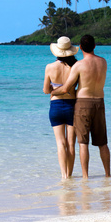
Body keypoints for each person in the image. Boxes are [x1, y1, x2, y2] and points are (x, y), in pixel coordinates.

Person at [52, 34, 111, 179]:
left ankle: (85, 177)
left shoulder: (79, 65)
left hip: (83, 103)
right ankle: (108, 175)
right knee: (102, 142)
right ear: (95, 46)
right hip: (100, 102)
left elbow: (66, 88)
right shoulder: (103, 62)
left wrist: (52, 91)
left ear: (80, 48)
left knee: (83, 143)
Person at [43, 36, 78, 179]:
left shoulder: (50, 67)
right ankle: (70, 175)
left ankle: (64, 176)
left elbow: (45, 90)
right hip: (72, 105)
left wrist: (53, 89)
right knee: (71, 144)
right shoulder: (75, 67)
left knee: (60, 143)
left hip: (56, 106)